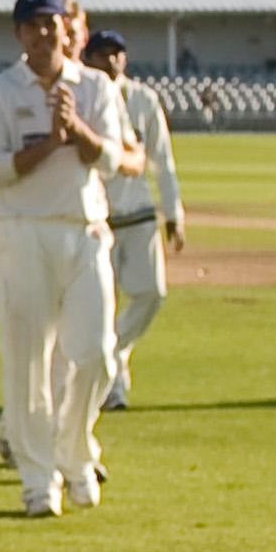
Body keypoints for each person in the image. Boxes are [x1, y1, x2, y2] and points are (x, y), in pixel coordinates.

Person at [0, 0, 121, 516]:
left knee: (95, 355)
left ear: (64, 30)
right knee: (28, 363)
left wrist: (78, 131)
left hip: (84, 229)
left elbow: (112, 159)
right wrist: (50, 141)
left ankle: (74, 451)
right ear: (19, 34)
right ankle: (37, 477)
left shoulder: (94, 86)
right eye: (33, 25)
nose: (44, 33)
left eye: (51, 24)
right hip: (25, 231)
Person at [86, 29, 183, 415]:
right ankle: (113, 386)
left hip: (140, 213)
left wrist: (174, 212)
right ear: (89, 58)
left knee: (152, 294)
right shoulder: (85, 97)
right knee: (100, 305)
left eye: (117, 54)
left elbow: (163, 158)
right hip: (100, 219)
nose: (111, 61)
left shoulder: (143, 99)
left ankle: (115, 351)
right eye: (103, 54)